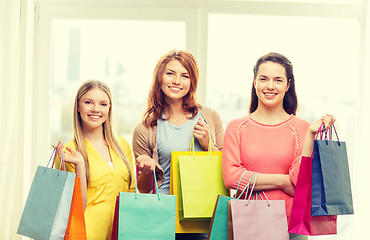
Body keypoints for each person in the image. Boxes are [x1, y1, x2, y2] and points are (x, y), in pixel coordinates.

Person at [222, 52, 335, 240]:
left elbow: (299, 182)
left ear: (288, 85)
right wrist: (282, 181)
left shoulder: (302, 129)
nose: (270, 86)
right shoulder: (236, 127)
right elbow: (231, 177)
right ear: (254, 81)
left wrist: (311, 136)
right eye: (264, 79)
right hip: (248, 223)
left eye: (278, 80)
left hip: (292, 227)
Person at [132, 49, 224, 240]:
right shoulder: (145, 128)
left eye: (184, 75)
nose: (176, 81)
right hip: (162, 217)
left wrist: (209, 145)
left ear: (192, 82)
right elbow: (143, 189)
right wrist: (148, 170)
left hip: (202, 215)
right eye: (170, 74)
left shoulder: (210, 117)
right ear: (160, 78)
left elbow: (227, 171)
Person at [54, 80, 135, 240]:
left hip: (122, 232)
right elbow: (76, 209)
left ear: (109, 108)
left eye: (103, 104)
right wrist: (79, 165)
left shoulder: (122, 145)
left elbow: (131, 193)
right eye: (88, 102)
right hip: (86, 234)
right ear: (78, 106)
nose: (96, 109)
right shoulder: (69, 152)